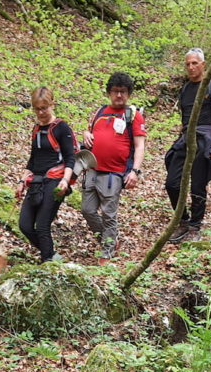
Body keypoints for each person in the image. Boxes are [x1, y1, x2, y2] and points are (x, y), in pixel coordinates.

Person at [81, 72, 147, 265]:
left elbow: (140, 145)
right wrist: (86, 133)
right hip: (92, 169)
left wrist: (135, 171)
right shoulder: (100, 112)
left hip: (114, 173)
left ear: (129, 94)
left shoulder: (133, 116)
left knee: (109, 214)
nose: (119, 96)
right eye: (116, 91)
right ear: (109, 92)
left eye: (123, 92)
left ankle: (107, 252)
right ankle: (109, 239)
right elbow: (89, 131)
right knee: (87, 210)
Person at [165, 47, 211, 243]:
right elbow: (184, 120)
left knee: (198, 186)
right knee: (172, 184)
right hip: (186, 139)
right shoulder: (185, 89)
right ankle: (182, 220)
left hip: (205, 139)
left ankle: (195, 225)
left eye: (195, 63)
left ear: (203, 65)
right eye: (188, 64)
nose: (191, 67)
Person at [16, 87, 76, 263]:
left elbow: (70, 158)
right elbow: (33, 161)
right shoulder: (36, 129)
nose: (41, 112)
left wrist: (65, 180)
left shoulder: (61, 127)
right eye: (37, 109)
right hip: (37, 181)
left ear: (52, 105)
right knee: (25, 225)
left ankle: (47, 262)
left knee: (42, 226)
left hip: (56, 181)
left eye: (44, 108)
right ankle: (50, 254)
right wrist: (21, 181)